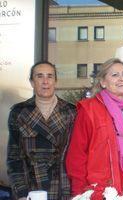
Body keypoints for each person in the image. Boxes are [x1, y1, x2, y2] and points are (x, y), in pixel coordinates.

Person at [66, 58, 123, 200]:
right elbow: (77, 155)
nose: (121, 79)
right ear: (103, 82)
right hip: (102, 192)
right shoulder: (89, 109)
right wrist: (79, 193)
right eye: (114, 75)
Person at [7, 61, 76, 200]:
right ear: (32, 82)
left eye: (50, 76)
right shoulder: (19, 112)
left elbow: (78, 154)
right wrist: (21, 193)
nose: (45, 81)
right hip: (32, 188)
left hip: (64, 187)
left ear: (55, 81)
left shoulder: (71, 111)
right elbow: (14, 158)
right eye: (39, 76)